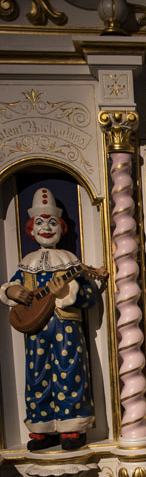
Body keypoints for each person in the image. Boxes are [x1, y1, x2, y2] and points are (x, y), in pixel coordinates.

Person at [0, 187, 96, 451]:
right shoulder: (27, 263)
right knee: (37, 374)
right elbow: (13, 288)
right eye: (40, 223)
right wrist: (12, 291)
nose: (46, 228)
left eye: (52, 222)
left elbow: (89, 297)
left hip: (66, 326)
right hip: (36, 329)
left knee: (69, 371)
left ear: (61, 228)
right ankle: (42, 426)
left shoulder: (70, 262)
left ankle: (72, 427)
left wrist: (66, 292)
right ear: (31, 229)